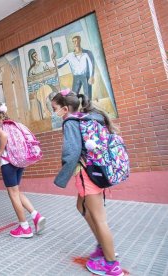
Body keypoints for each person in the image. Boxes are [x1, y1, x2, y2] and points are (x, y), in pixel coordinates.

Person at [51, 89, 123, 276]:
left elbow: (72, 152)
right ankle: (102, 246)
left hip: (87, 174)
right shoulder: (88, 118)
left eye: (55, 108)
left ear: (65, 108)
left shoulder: (70, 122)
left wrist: (62, 177)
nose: (54, 112)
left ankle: (111, 264)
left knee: (99, 218)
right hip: (96, 171)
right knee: (80, 206)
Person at [0, 100, 46, 238]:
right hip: (19, 162)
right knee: (17, 191)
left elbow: (4, 136)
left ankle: (24, 227)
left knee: (12, 194)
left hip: (7, 162)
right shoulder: (9, 122)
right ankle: (35, 215)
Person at [53, 35, 95, 100]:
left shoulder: (87, 53)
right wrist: (53, 58)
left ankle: (88, 108)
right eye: (73, 41)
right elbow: (59, 65)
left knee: (87, 95)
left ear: (79, 41)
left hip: (85, 76)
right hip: (76, 77)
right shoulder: (69, 55)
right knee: (74, 96)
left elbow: (91, 64)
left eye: (76, 41)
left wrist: (91, 76)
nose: (75, 43)